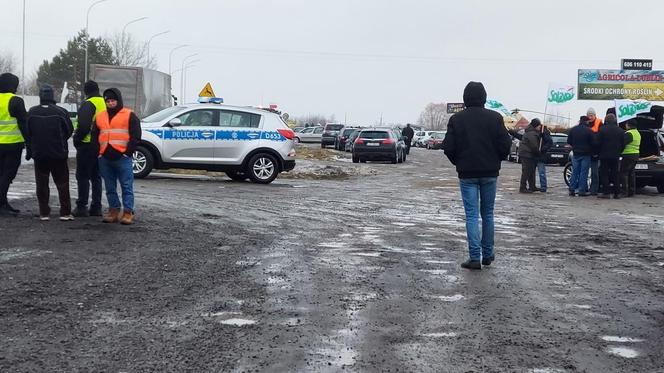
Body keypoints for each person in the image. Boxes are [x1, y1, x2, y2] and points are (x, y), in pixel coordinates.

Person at [443, 81, 511, 270]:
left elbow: (447, 147)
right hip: (490, 173)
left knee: (472, 215)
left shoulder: (457, 119)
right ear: (484, 97)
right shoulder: (495, 118)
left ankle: (475, 258)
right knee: (488, 213)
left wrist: (459, 162)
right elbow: (506, 144)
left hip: (467, 174)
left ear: (465, 98)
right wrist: (496, 159)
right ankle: (487, 254)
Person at [24, 85, 74, 220]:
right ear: (52, 96)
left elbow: (28, 133)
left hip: (39, 154)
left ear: (40, 96)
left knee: (41, 184)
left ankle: (44, 212)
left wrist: (31, 149)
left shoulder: (32, 112)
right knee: (62, 184)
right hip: (58, 153)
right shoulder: (61, 111)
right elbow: (69, 130)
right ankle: (65, 212)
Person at [92, 88, 141, 225]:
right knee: (109, 187)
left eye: (113, 100)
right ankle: (113, 210)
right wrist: (98, 153)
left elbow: (136, 136)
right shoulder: (100, 116)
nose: (110, 103)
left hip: (122, 157)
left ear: (118, 100)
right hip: (105, 157)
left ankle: (127, 212)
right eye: (108, 101)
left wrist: (128, 152)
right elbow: (95, 136)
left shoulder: (129, 115)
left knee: (126, 186)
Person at [72, 80, 106, 217]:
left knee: (83, 176)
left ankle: (82, 206)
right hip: (102, 145)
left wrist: (77, 139)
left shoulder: (88, 104)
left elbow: (84, 126)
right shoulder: (105, 103)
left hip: (87, 145)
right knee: (96, 177)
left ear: (86, 92)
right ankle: (96, 207)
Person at [0, 73, 28, 216]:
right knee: (8, 175)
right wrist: (30, 145)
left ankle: (4, 202)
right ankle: (2, 204)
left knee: (1, 174)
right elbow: (24, 124)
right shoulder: (16, 101)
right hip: (12, 145)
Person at [596, 113, 624, 199]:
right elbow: (623, 144)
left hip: (604, 156)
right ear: (614, 120)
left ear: (606, 120)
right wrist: (619, 152)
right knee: (615, 174)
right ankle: (617, 193)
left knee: (604, 174)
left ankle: (606, 192)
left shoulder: (602, 129)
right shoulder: (620, 130)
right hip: (615, 156)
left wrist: (598, 152)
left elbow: (598, 143)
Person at [567, 116, 594, 196]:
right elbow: (593, 142)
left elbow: (569, 141)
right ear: (586, 121)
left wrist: (575, 146)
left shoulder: (573, 130)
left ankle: (571, 189)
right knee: (583, 173)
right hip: (586, 154)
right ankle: (582, 191)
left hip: (576, 153)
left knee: (575, 172)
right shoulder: (589, 130)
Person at [517, 119, 542, 193]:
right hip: (527, 154)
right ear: (536, 125)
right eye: (539, 125)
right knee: (527, 171)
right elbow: (534, 146)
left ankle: (532, 186)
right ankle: (523, 187)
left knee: (531, 170)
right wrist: (538, 153)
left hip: (528, 153)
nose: (540, 127)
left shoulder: (531, 132)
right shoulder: (532, 133)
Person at [619, 119, 641, 198]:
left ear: (629, 125)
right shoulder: (637, 133)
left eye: (626, 124)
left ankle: (624, 191)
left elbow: (622, 144)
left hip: (628, 155)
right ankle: (631, 192)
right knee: (631, 174)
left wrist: (618, 152)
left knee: (623, 173)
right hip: (635, 155)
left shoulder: (629, 133)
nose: (625, 125)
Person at [587, 108, 603, 195]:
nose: (590, 117)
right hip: (587, 152)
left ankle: (594, 189)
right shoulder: (585, 123)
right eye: (588, 115)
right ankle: (585, 188)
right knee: (585, 172)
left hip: (596, 152)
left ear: (594, 115)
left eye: (591, 115)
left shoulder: (599, 123)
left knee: (595, 172)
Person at [536, 125, 553, 192]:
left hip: (541, 155)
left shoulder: (545, 132)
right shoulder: (534, 132)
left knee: (541, 172)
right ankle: (532, 185)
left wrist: (543, 149)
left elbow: (550, 142)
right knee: (532, 172)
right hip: (534, 154)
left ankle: (543, 186)